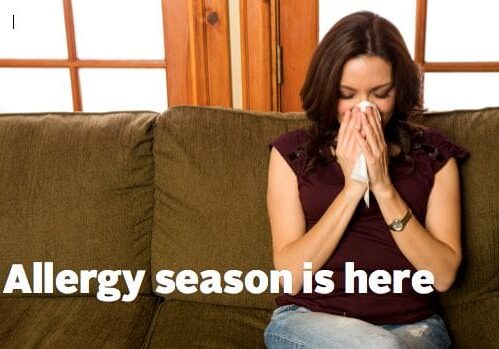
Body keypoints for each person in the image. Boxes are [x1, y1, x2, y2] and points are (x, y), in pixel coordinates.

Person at [264, 11, 469, 349]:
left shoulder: (435, 156)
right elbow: (291, 275)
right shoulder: (291, 154)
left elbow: (444, 276)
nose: (363, 108)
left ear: (399, 89)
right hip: (308, 321)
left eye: (379, 93)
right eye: (346, 94)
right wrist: (354, 186)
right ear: (327, 89)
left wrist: (383, 186)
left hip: (414, 327)